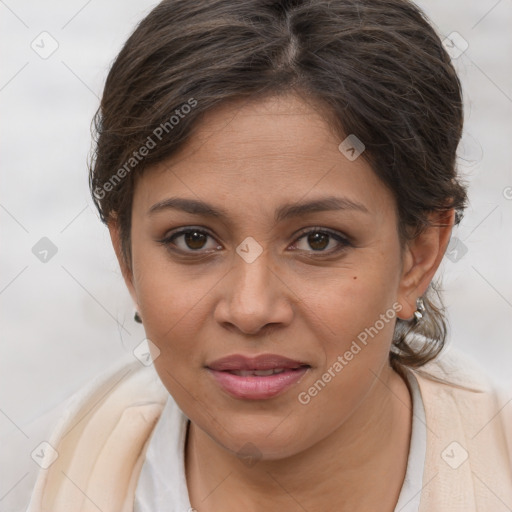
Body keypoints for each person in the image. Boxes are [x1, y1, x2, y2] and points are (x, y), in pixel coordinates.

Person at [27, 0, 512, 511]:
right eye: (193, 239)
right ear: (126, 258)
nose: (251, 309)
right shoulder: (36, 476)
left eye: (318, 240)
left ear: (419, 254)